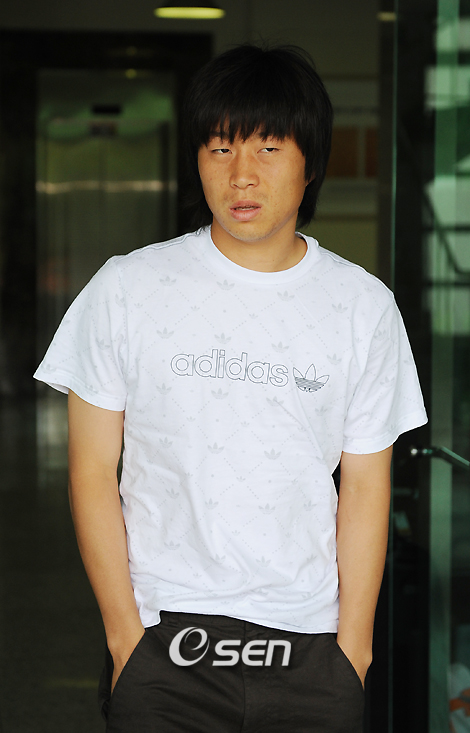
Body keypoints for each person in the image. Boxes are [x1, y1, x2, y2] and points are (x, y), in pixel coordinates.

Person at [34, 44, 427, 732]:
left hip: (310, 646)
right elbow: (91, 470)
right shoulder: (126, 288)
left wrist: (354, 653)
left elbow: (366, 485)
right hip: (164, 641)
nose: (241, 173)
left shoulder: (362, 307)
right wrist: (125, 640)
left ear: (311, 162)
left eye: (268, 148)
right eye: (220, 147)